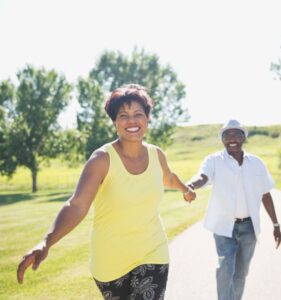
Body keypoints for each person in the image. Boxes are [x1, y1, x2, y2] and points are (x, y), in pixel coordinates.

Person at [17, 84, 196, 300]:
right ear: (114, 122)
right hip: (110, 261)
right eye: (123, 115)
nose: (132, 121)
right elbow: (77, 205)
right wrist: (47, 241)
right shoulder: (102, 160)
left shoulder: (156, 155)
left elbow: (168, 177)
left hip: (152, 250)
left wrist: (186, 190)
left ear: (147, 119)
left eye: (138, 114)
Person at [187, 119, 281, 300]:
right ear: (222, 139)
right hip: (223, 227)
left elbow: (266, 194)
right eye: (227, 135)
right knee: (225, 267)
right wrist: (191, 185)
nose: (232, 138)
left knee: (240, 273)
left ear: (243, 138)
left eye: (237, 134)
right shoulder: (214, 160)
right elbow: (203, 176)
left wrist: (276, 224)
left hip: (249, 228)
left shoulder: (257, 163)